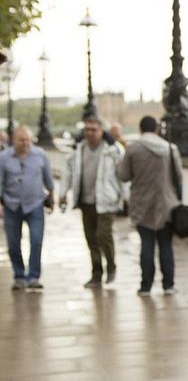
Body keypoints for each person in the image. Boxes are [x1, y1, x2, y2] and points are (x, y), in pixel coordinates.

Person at [117, 115, 182, 296]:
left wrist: (118, 166)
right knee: (166, 245)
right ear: (156, 129)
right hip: (166, 203)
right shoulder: (170, 149)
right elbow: (179, 177)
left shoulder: (133, 149)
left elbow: (124, 176)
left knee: (147, 245)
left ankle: (146, 286)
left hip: (141, 203)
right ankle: (168, 285)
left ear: (140, 129)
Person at [59, 115, 126, 288]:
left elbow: (124, 176)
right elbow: (68, 172)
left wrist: (126, 198)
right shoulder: (78, 149)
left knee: (103, 235)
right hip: (86, 200)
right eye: (87, 129)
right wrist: (63, 193)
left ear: (102, 130)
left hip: (106, 200)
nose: (90, 133)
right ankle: (96, 274)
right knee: (91, 238)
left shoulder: (114, 150)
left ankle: (111, 266)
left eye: (93, 130)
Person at [0, 125, 55, 291]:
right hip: (11, 206)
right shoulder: (4, 158)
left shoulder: (40, 155)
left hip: (35, 204)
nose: (26, 143)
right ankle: (19, 276)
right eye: (22, 140)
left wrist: (51, 199)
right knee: (13, 244)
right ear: (13, 140)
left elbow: (49, 180)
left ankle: (33, 277)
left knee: (36, 241)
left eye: (28, 140)